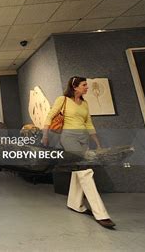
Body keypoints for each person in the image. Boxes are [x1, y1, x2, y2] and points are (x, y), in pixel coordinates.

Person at [42, 76, 116, 229]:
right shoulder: (62, 99)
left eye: (87, 85)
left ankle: (75, 204)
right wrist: (45, 135)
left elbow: (88, 122)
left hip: (83, 138)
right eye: (84, 85)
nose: (87, 88)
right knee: (85, 171)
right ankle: (101, 214)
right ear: (75, 87)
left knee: (78, 171)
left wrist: (97, 142)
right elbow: (50, 116)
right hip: (69, 137)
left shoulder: (85, 103)